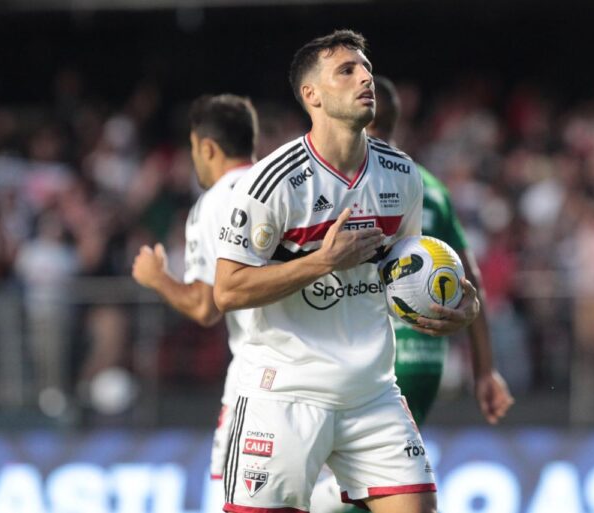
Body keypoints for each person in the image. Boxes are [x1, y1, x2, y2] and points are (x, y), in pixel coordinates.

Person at [213, 30, 478, 513]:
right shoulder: (271, 182)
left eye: (367, 70)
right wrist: (323, 261)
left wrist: (459, 306)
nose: (365, 78)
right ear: (311, 95)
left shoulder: (402, 175)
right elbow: (227, 291)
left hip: (372, 393)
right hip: (284, 396)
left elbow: (408, 272)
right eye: (347, 71)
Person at [310, 75, 515, 513]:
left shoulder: (343, 182)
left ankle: (322, 499)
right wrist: (485, 370)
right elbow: (469, 276)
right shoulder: (429, 186)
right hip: (425, 357)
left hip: (366, 351)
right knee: (384, 483)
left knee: (358, 484)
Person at [131, 94, 258, 488]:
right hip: (339, 369)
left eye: (192, 150)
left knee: (234, 493)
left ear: (207, 147)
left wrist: (158, 279)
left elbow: (206, 307)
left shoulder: (216, 201)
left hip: (263, 381)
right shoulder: (285, 184)